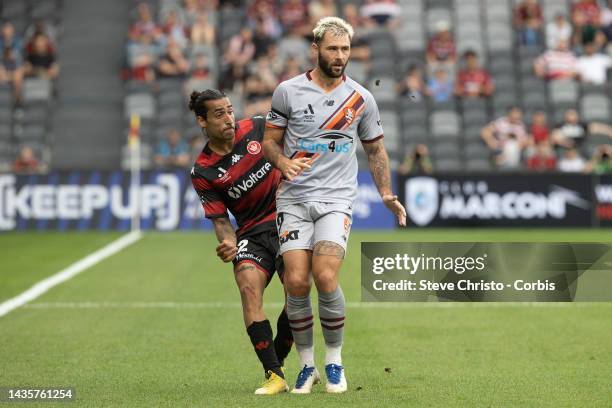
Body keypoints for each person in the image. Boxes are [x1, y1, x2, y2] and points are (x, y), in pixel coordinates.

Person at [263, 17, 406, 394]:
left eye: (345, 49)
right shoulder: (287, 92)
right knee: (295, 281)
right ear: (316, 48)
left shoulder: (361, 98)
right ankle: (306, 366)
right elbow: (269, 143)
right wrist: (282, 163)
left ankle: (334, 361)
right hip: (293, 199)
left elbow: (375, 149)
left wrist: (386, 193)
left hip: (336, 200)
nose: (340, 56)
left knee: (325, 276)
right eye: (332, 48)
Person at [189, 89, 293, 395]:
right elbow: (222, 222)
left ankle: (279, 358)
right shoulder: (203, 170)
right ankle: (274, 374)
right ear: (202, 121)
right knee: (248, 285)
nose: (228, 118)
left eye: (230, 110)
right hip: (251, 232)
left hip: (288, 218)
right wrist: (228, 243)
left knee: (297, 293)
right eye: (218, 114)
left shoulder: (258, 127)